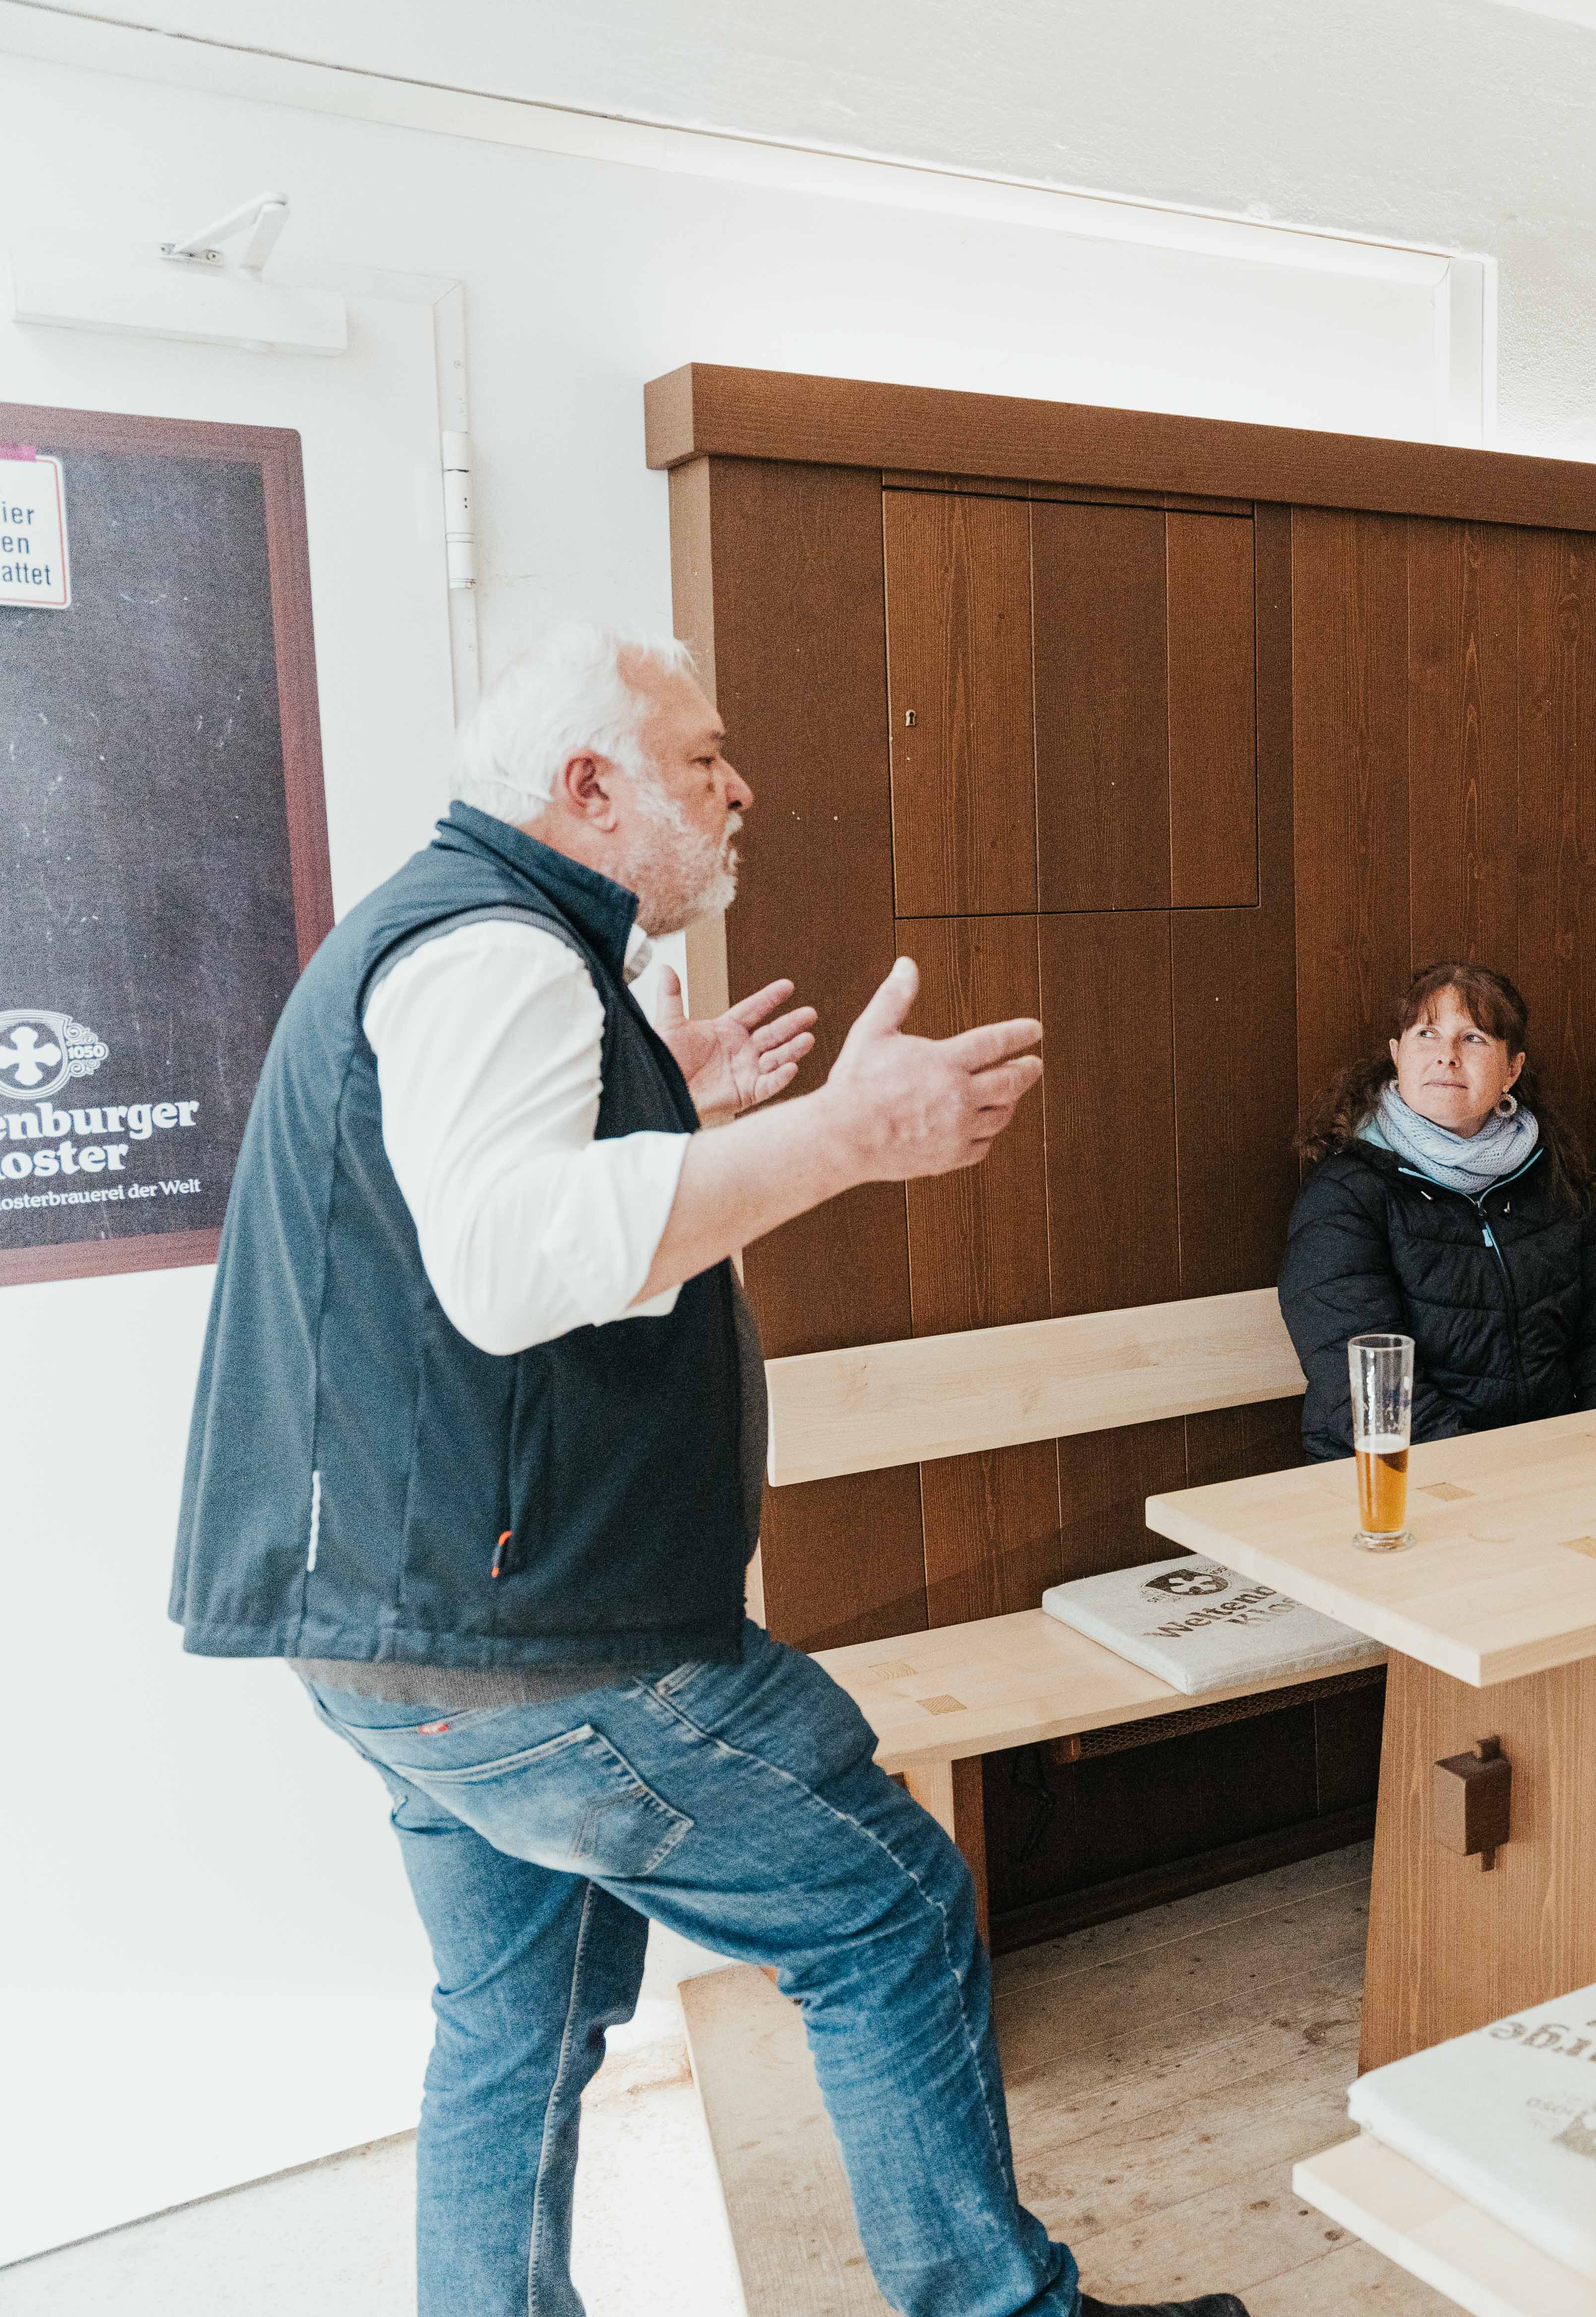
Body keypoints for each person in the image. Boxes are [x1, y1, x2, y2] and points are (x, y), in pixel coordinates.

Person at [169, 625, 1231, 2317]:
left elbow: (502, 1209)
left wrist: (680, 1105)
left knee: (514, 2031)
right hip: (534, 1649)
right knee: (885, 1908)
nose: (741, 792)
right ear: (587, 787)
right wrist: (839, 1137)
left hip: (405, 1635)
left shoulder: (474, 934)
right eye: (703, 762)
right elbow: (507, 1264)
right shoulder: (498, 952)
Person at [1280, 961, 1596, 1461]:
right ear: (1397, 1054)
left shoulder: (1549, 1176)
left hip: (1551, 1469)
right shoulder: (1345, 1195)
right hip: (1393, 1478)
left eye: (1473, 1039)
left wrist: (1593, 1451)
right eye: (1427, 1034)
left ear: (1512, 1069)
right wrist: (1484, 1473)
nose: (1446, 1057)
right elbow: (1366, 1383)